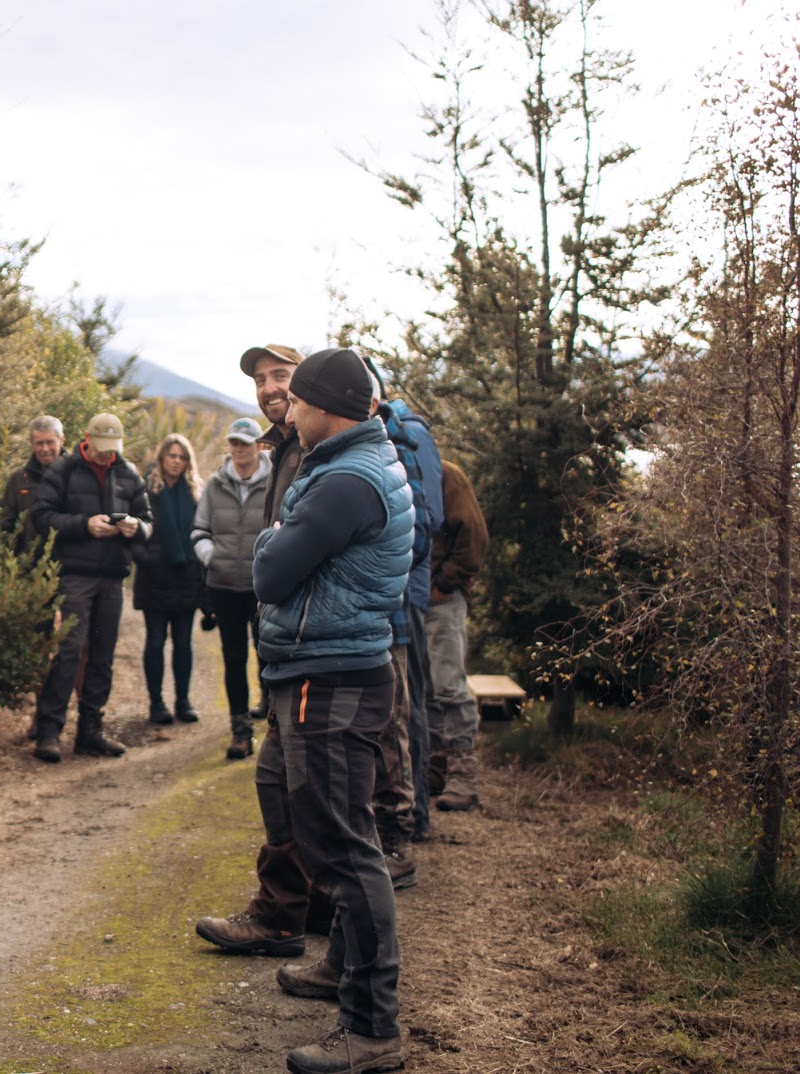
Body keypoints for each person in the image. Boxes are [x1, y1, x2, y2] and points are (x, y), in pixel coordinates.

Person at [252, 348, 413, 1074]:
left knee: (344, 854)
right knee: (345, 835)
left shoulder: (346, 480)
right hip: (337, 667)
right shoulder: (354, 461)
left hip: (333, 675)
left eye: (298, 399)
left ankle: (372, 1029)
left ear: (322, 406)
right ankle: (341, 971)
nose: (288, 407)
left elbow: (271, 571)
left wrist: (267, 543)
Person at [196, 342, 338, 959]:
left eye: (280, 376)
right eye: (260, 379)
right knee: (289, 779)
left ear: (305, 385)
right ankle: (306, 906)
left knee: (300, 783)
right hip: (290, 634)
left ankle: (287, 913)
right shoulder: (285, 450)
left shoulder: (321, 452)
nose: (268, 387)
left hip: (316, 639)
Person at [360, 356, 444, 885]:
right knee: (393, 710)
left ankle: (407, 828)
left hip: (395, 601)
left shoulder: (403, 443)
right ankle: (401, 824)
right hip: (387, 599)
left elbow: (420, 527)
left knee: (400, 711)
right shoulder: (385, 441)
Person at [28, 412, 153, 762]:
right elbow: (42, 516)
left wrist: (135, 527)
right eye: (101, 447)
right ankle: (49, 732)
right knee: (69, 651)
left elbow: (148, 521)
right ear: (86, 438)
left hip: (113, 575)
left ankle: (90, 732)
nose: (105, 455)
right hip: (75, 575)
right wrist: (85, 525)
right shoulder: (63, 470)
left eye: (112, 448)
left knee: (102, 655)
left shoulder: (128, 474)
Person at [192, 416, 273, 759]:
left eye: (245, 443)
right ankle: (240, 731)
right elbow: (198, 530)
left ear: (260, 446)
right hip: (224, 585)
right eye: (234, 443)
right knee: (233, 658)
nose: (239, 449)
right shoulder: (214, 484)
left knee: (268, 654)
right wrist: (213, 557)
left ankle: (273, 720)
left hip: (264, 588)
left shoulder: (274, 481)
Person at [427, 458, 490, 812]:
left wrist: (445, 582)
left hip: (442, 599)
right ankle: (436, 769)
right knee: (423, 689)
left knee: (449, 685)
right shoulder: (391, 465)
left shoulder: (446, 474)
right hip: (412, 599)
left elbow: (474, 535)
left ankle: (463, 774)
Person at [134, 433, 205, 726]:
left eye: (182, 457)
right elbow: (136, 531)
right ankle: (156, 702)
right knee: (154, 641)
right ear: (161, 457)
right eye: (171, 456)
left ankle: (183, 700)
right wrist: (148, 560)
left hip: (187, 577)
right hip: (154, 578)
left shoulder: (195, 492)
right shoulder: (146, 490)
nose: (176, 461)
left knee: (184, 643)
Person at [1, 415, 67, 556]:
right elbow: (6, 523)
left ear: (61, 440)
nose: (45, 449)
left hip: (69, 567)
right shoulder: (18, 480)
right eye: (39, 443)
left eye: (50, 442)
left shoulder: (76, 474)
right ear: (31, 443)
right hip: (28, 565)